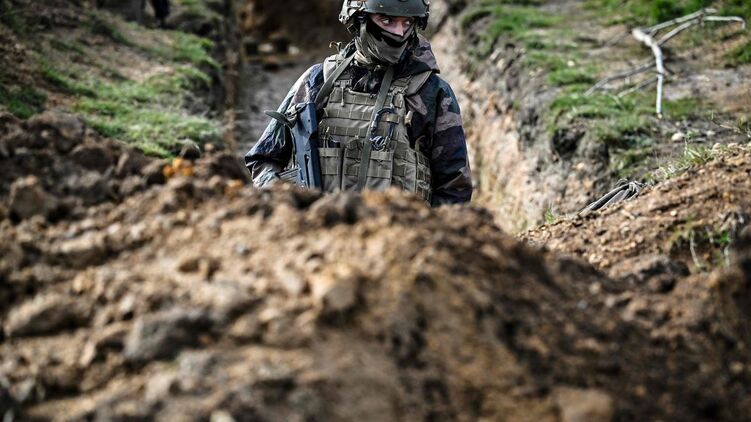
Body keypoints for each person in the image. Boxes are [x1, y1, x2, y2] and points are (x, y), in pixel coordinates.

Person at [244, 0, 472, 206]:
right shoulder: (319, 81)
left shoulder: (430, 92)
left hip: (399, 236)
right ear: (359, 19)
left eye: (406, 22)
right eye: (387, 20)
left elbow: (454, 189)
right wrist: (284, 201)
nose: (399, 32)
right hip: (319, 231)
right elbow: (263, 159)